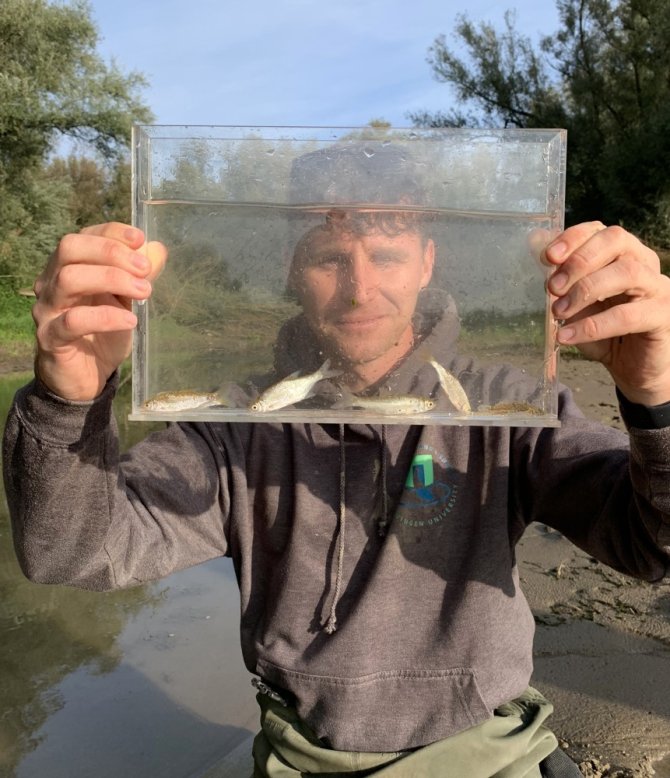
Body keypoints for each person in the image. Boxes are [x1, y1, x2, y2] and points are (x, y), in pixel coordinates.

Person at [3, 143, 670, 778]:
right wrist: (67, 400)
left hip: (486, 750)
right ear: (293, 268)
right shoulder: (238, 423)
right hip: (301, 754)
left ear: (427, 261)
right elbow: (75, 549)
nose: (359, 290)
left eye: (386, 255)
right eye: (329, 259)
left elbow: (652, 545)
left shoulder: (507, 406)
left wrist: (655, 397)